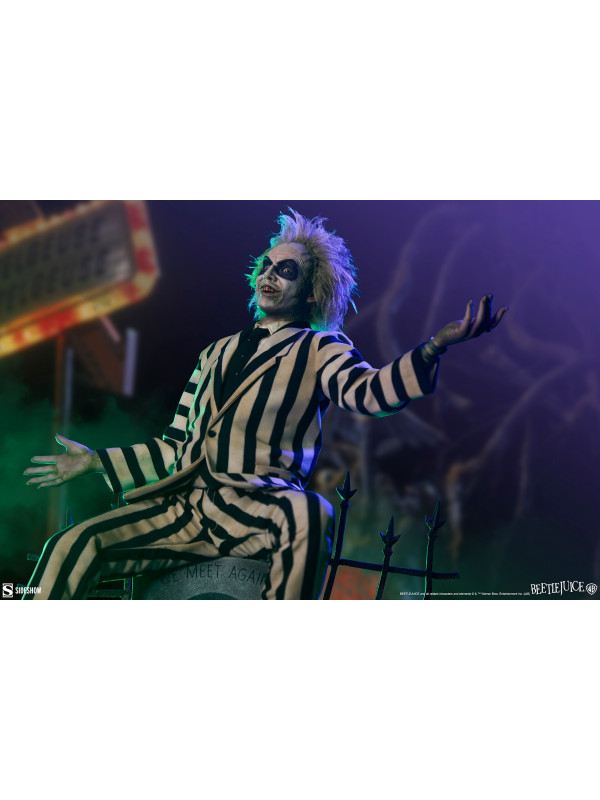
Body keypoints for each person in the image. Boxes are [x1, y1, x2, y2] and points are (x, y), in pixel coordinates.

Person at [23, 209, 508, 600]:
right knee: (71, 544)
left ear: (310, 291)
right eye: (266, 266)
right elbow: (175, 445)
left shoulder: (319, 347)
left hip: (257, 503)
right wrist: (95, 462)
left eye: (286, 270)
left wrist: (433, 348)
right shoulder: (214, 353)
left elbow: (370, 393)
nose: (270, 275)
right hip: (186, 509)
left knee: (312, 512)